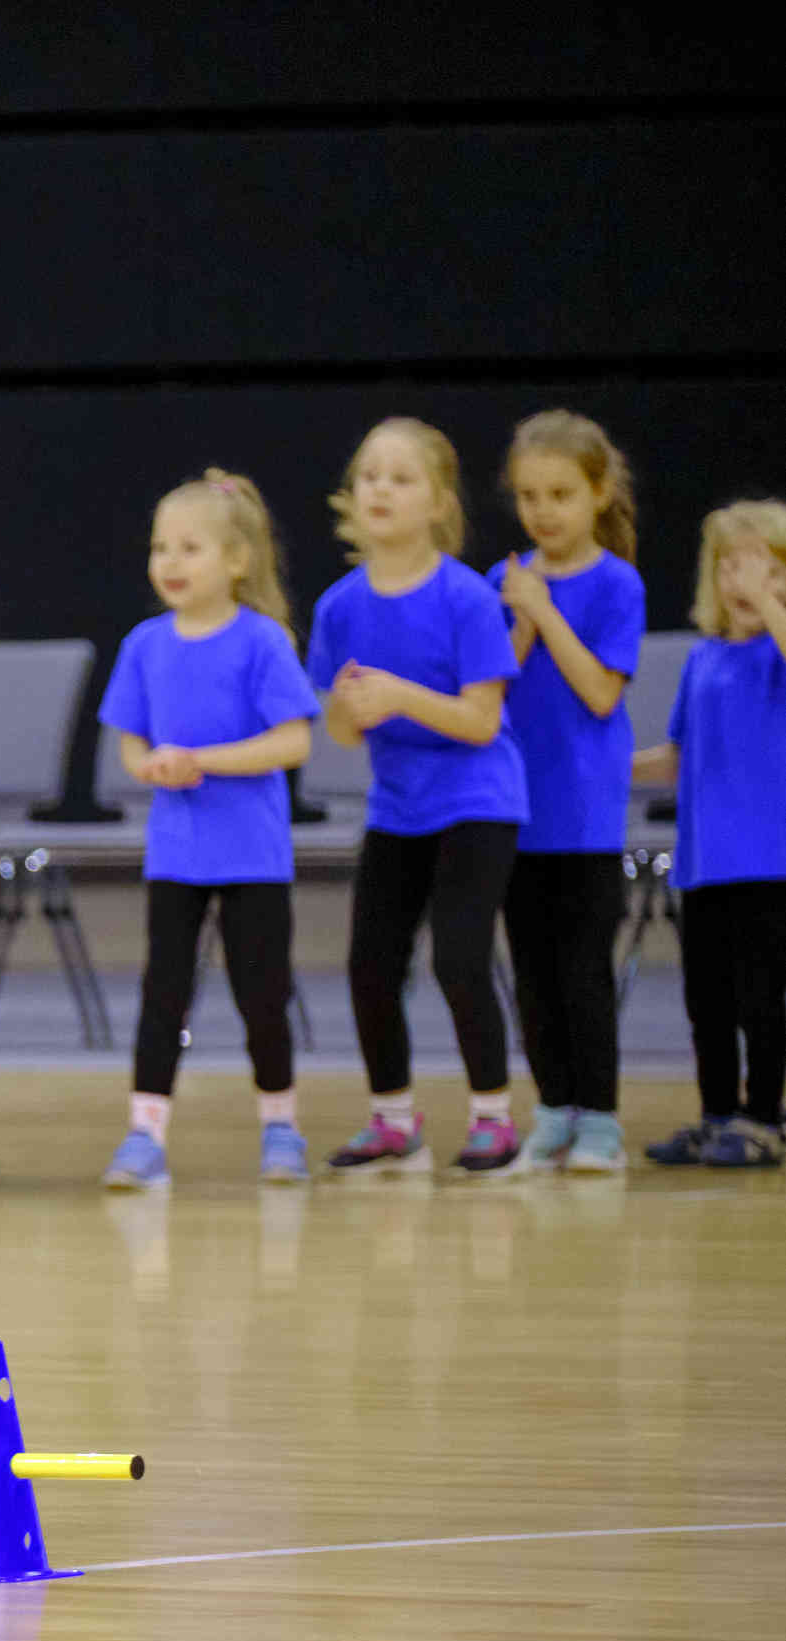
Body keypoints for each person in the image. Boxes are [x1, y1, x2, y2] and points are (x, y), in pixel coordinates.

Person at [310, 417, 528, 1179]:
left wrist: (398, 695)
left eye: (400, 478)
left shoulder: (466, 599)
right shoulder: (339, 607)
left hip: (476, 797)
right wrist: (347, 706)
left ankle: (493, 1117)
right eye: (368, 474)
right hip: (397, 805)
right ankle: (393, 1119)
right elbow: (337, 729)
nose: (379, 489)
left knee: (460, 957)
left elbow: (480, 719)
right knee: (370, 963)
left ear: (437, 502)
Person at [95, 471, 317, 1191]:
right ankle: (144, 1133)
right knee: (164, 992)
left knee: (262, 994)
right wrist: (151, 767)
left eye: (190, 547)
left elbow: (291, 744)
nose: (170, 562)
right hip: (176, 856)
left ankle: (280, 1126)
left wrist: (203, 762)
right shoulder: (143, 643)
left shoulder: (261, 641)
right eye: (161, 546)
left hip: (252, 854)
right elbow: (129, 743)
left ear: (236, 560)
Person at [486, 411, 642, 1175]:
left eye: (558, 494)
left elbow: (598, 693)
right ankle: (552, 1110)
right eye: (527, 495)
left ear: (596, 493)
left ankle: (601, 1122)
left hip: (582, 814)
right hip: (513, 810)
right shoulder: (503, 579)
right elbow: (490, 690)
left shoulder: (617, 583)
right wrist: (517, 616)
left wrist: (544, 611)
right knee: (532, 973)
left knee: (583, 971)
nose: (542, 511)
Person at [633, 500, 786, 1169]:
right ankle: (717, 1112)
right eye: (730, 565)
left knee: (762, 1000)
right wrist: (602, 762)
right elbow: (675, 755)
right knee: (708, 1002)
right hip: (703, 861)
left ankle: (762, 1118)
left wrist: (769, 603)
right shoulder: (702, 658)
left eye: (764, 566)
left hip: (769, 861)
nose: (743, 581)